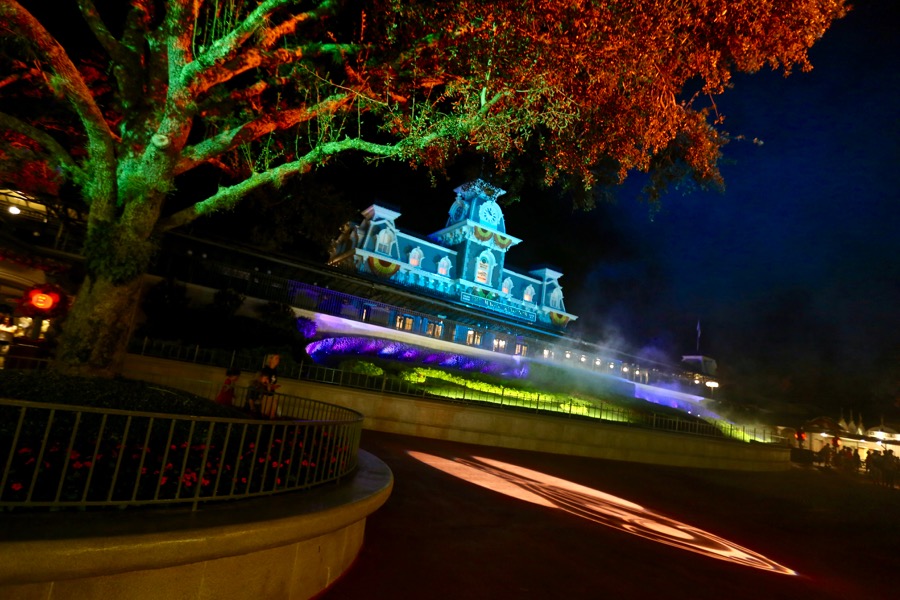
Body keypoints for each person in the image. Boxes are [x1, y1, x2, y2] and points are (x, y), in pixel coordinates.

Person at [259, 354, 281, 419]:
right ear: (270, 360)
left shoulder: (275, 371)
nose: (278, 360)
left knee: (273, 412)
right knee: (265, 412)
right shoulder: (266, 369)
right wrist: (269, 385)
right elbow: (263, 381)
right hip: (265, 393)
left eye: (278, 359)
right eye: (276, 358)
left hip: (271, 393)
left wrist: (273, 386)